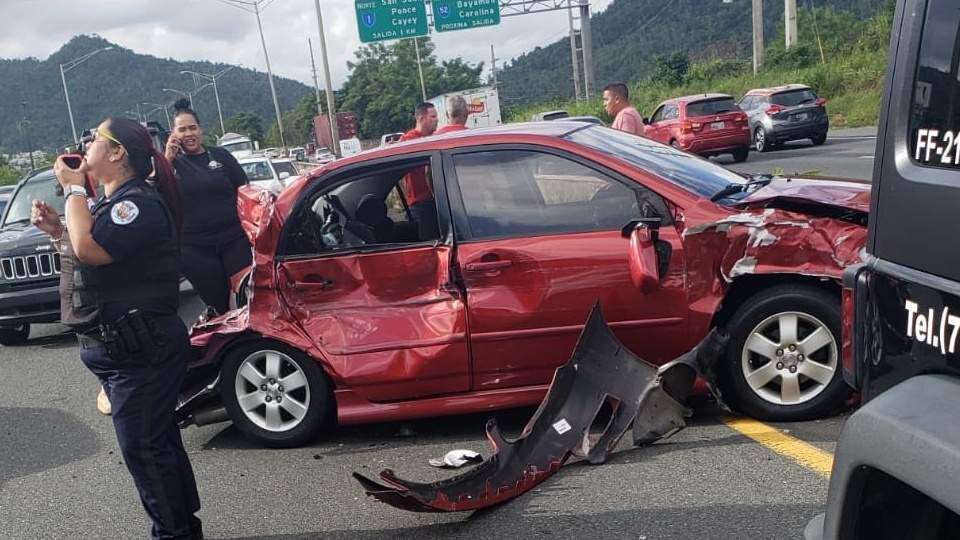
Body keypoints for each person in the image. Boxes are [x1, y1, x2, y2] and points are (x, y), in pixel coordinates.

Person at [31, 117, 203, 539]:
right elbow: (92, 258)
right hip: (121, 350)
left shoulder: (136, 204)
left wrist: (73, 188)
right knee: (153, 444)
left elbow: (90, 251)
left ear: (117, 152)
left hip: (139, 352)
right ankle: (182, 528)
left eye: (95, 138)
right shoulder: (114, 205)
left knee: (144, 448)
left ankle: (174, 533)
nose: (86, 143)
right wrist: (58, 231)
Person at [165, 98, 250, 316]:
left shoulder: (221, 156)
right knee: (219, 303)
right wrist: (167, 160)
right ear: (173, 134)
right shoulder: (168, 165)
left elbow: (245, 190)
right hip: (194, 249)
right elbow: (157, 194)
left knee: (246, 297)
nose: (188, 133)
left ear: (200, 129)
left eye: (192, 127)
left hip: (234, 240)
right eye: (182, 129)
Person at [399, 103, 439, 239]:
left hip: (437, 202)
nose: (437, 119)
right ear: (421, 118)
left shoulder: (436, 138)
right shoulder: (408, 141)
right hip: (420, 204)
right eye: (433, 116)